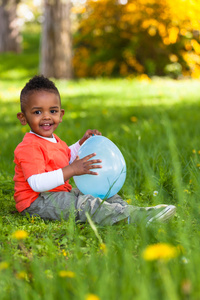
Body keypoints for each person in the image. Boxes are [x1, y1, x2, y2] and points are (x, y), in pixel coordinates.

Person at [13, 75, 176, 226]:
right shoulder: (29, 146)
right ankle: (131, 217)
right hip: (36, 202)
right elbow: (37, 183)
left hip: (57, 194)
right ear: (23, 117)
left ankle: (129, 211)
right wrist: (72, 170)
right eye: (37, 112)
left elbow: (65, 157)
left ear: (61, 115)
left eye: (53, 111)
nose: (46, 116)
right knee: (85, 205)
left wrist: (81, 143)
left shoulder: (54, 140)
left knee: (100, 194)